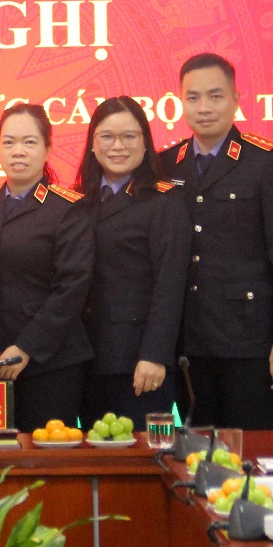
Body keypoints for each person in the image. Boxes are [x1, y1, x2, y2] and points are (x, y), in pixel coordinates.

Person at [158, 53, 273, 429]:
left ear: (236, 99)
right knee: (197, 451)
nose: (204, 108)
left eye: (215, 96)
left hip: (249, 341)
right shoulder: (166, 165)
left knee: (253, 450)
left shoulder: (266, 162)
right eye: (193, 98)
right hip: (187, 342)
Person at [0, 103, 93, 432]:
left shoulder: (67, 208)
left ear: (48, 149)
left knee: (46, 456)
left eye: (29, 142)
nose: (18, 151)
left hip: (52, 363)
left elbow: (72, 287)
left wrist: (26, 348)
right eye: (8, 142)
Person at [75, 97, 192, 425]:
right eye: (107, 136)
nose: (118, 146)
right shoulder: (77, 202)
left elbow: (170, 285)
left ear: (145, 143)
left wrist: (155, 355)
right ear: (93, 144)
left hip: (138, 362)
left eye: (129, 136)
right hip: (84, 360)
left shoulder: (164, 203)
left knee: (142, 452)